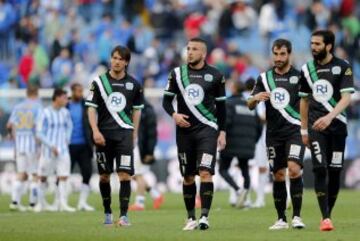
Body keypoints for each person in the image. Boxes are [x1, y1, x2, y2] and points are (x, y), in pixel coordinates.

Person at [162, 37, 226, 230]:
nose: (189, 52)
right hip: (184, 132)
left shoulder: (215, 75)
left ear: (203, 53)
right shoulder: (177, 74)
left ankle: (204, 216)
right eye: (188, 48)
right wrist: (174, 115)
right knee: (188, 177)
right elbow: (166, 102)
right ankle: (190, 218)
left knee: (205, 173)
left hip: (207, 130)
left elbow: (222, 107)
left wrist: (222, 132)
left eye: (194, 49)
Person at [299, 30, 355, 231]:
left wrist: (330, 117)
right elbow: (304, 101)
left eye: (317, 44)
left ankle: (328, 213)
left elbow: (346, 97)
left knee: (335, 171)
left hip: (337, 127)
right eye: (311, 43)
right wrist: (304, 130)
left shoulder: (343, 67)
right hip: (316, 128)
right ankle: (325, 217)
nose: (313, 47)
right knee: (319, 168)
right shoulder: (306, 69)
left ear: (328, 46)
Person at [248, 39, 306, 230]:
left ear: (289, 54)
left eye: (282, 54)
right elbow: (250, 104)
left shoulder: (300, 77)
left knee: (294, 169)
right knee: (279, 174)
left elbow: (309, 104)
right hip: (273, 134)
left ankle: (297, 217)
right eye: (275, 54)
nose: (278, 58)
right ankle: (281, 219)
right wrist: (255, 98)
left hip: (295, 131)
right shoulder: (264, 79)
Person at [85, 45, 144, 226]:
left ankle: (124, 216)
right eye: (114, 58)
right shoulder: (98, 83)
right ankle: (108, 212)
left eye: (120, 59)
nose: (116, 61)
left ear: (126, 62)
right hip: (103, 136)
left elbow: (137, 111)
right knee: (104, 176)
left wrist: (134, 132)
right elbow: (91, 109)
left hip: (124, 134)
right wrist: (95, 131)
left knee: (124, 175)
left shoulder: (134, 84)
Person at [219, 80, 262, 208]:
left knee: (223, 169)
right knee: (245, 170)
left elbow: (226, 123)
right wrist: (252, 141)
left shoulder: (228, 103)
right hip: (248, 143)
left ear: (233, 89)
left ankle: (238, 190)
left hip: (231, 143)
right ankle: (247, 198)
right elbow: (259, 127)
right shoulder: (250, 105)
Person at [35, 88, 75, 212]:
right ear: (57, 98)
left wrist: (67, 139)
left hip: (63, 150)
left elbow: (69, 126)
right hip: (48, 151)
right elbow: (39, 133)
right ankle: (40, 204)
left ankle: (62, 204)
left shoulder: (65, 112)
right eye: (64, 98)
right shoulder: (44, 112)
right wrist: (51, 145)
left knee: (63, 176)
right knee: (43, 177)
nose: (66, 100)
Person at [7, 85, 42, 211]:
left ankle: (14, 202)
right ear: (36, 93)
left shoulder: (17, 107)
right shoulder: (38, 107)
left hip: (19, 143)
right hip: (32, 144)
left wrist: (13, 138)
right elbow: (39, 127)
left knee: (21, 173)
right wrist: (40, 146)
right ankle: (32, 204)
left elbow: (9, 125)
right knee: (34, 173)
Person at [129, 98, 164, 211]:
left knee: (137, 174)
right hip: (130, 144)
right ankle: (156, 195)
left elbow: (152, 132)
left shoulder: (147, 110)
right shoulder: (132, 105)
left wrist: (149, 151)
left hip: (139, 146)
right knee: (130, 173)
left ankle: (140, 203)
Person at [67, 83, 95, 211]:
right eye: (78, 91)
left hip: (84, 145)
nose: (80, 93)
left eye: (81, 91)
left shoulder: (86, 105)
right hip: (68, 145)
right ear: (72, 91)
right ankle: (60, 201)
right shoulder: (65, 105)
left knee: (87, 173)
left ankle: (82, 203)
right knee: (64, 174)